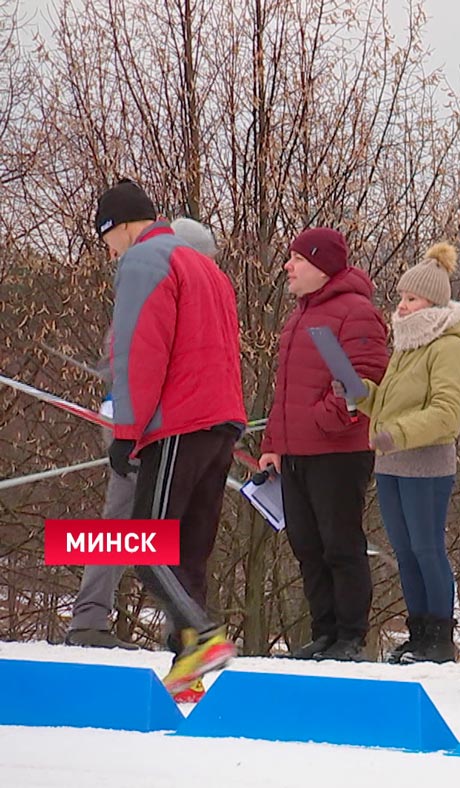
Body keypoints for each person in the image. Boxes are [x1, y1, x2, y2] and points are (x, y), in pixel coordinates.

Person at [97, 179, 244, 693]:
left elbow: (139, 348)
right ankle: (188, 672)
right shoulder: (206, 267)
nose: (109, 250)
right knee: (187, 552)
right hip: (220, 420)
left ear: (120, 226)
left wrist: (127, 430)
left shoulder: (143, 260)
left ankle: (202, 637)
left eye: (107, 237)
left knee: (146, 545)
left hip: (176, 423)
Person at [67, 217, 219, 653]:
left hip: (158, 424)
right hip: (144, 428)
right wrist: (126, 419)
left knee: (152, 530)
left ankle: (168, 631)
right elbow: (130, 354)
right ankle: (95, 618)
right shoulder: (163, 280)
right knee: (134, 528)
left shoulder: (181, 283)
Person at [260, 226, 389, 661]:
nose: (288, 267)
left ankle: (351, 636)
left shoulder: (357, 313)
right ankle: (324, 631)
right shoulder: (298, 316)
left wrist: (326, 419)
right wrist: (273, 442)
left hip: (339, 451)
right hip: (296, 453)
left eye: (297, 259)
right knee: (306, 545)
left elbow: (366, 377)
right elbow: (284, 390)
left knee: (340, 543)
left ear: (321, 266)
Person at [345, 242, 460, 664]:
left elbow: (447, 412)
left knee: (426, 547)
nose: (401, 305)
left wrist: (396, 433)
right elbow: (393, 404)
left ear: (432, 302)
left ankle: (439, 637)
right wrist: (362, 394)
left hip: (426, 464)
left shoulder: (450, 344)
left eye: (410, 298)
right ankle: (418, 633)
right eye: (400, 296)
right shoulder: (407, 343)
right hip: (392, 461)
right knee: (404, 551)